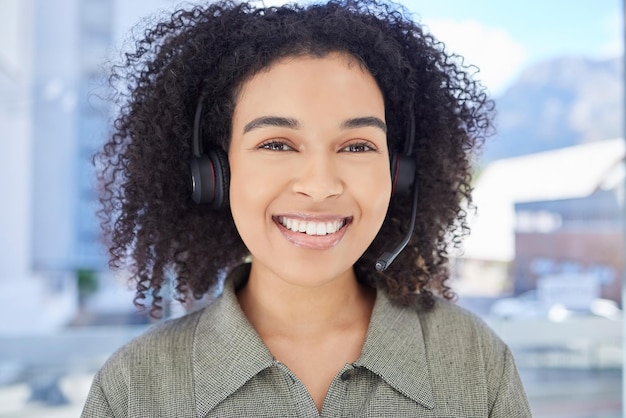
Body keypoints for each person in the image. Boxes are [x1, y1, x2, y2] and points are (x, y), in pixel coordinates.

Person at [81, 0, 531, 416]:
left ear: (398, 174)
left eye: (357, 146)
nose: (319, 186)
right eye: (276, 143)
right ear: (214, 173)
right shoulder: (133, 389)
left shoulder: (478, 363)